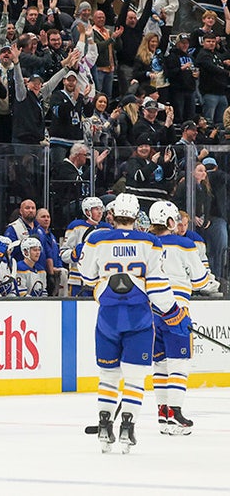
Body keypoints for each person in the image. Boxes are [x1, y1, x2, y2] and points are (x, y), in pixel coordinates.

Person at [78, 193, 190, 454]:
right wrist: (174, 313)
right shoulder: (150, 242)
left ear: (112, 214)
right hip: (139, 318)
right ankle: (128, 426)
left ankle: (105, 423)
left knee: (108, 376)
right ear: (136, 215)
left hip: (107, 318)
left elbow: (85, 274)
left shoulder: (96, 238)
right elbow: (158, 286)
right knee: (135, 379)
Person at [147, 201, 212, 435]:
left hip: (151, 312)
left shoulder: (147, 244)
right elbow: (201, 281)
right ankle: (176, 412)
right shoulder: (185, 244)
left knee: (160, 363)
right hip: (177, 311)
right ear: (170, 221)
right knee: (179, 363)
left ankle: (164, 415)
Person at [61, 197, 110, 297]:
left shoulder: (107, 228)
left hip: (101, 280)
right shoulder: (76, 226)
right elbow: (63, 254)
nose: (100, 212)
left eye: (101, 209)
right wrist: (74, 254)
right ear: (87, 212)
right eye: (96, 209)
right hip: (78, 281)